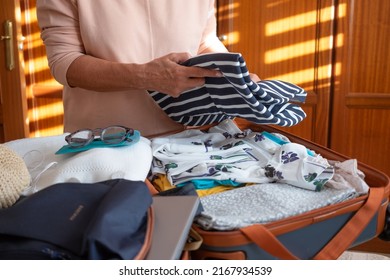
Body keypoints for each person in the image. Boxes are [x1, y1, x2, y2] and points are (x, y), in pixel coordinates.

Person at [36, 0, 232, 137]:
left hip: (188, 137)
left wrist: (232, 74)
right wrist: (146, 77)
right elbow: (65, 60)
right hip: (105, 140)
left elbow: (204, 42)